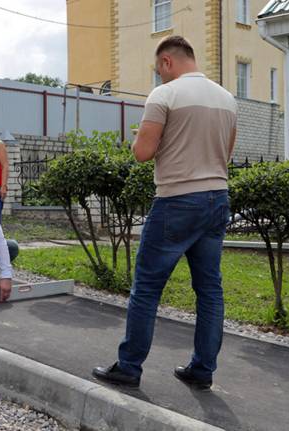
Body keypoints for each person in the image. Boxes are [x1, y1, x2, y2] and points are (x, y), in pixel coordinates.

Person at [91, 35, 237, 390]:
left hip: (177, 200)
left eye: (160, 70)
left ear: (168, 62)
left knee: (147, 287)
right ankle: (202, 370)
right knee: (209, 289)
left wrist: (138, 140)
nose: (160, 77)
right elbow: (227, 156)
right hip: (217, 198)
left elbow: (142, 153)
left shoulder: (164, 95)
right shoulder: (227, 99)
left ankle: (129, 366)